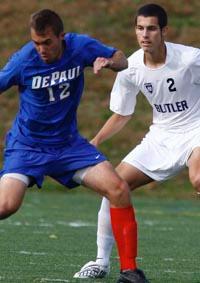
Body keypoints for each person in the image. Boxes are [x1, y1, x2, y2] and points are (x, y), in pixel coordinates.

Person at [0, 9, 149, 283]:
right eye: (36, 42)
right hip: (28, 148)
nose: (41, 49)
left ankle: (130, 272)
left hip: (68, 146)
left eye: (47, 42)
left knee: (118, 189)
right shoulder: (24, 60)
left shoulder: (80, 46)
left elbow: (122, 60)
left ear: (61, 36)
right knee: (6, 206)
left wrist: (109, 63)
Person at [74, 2, 200, 281]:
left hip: (196, 131)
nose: (145, 34)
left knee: (198, 179)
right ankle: (101, 261)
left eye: (152, 28)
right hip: (160, 137)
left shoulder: (191, 59)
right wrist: (95, 140)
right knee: (114, 185)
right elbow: (122, 114)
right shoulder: (130, 68)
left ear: (164, 31)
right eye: (140, 28)